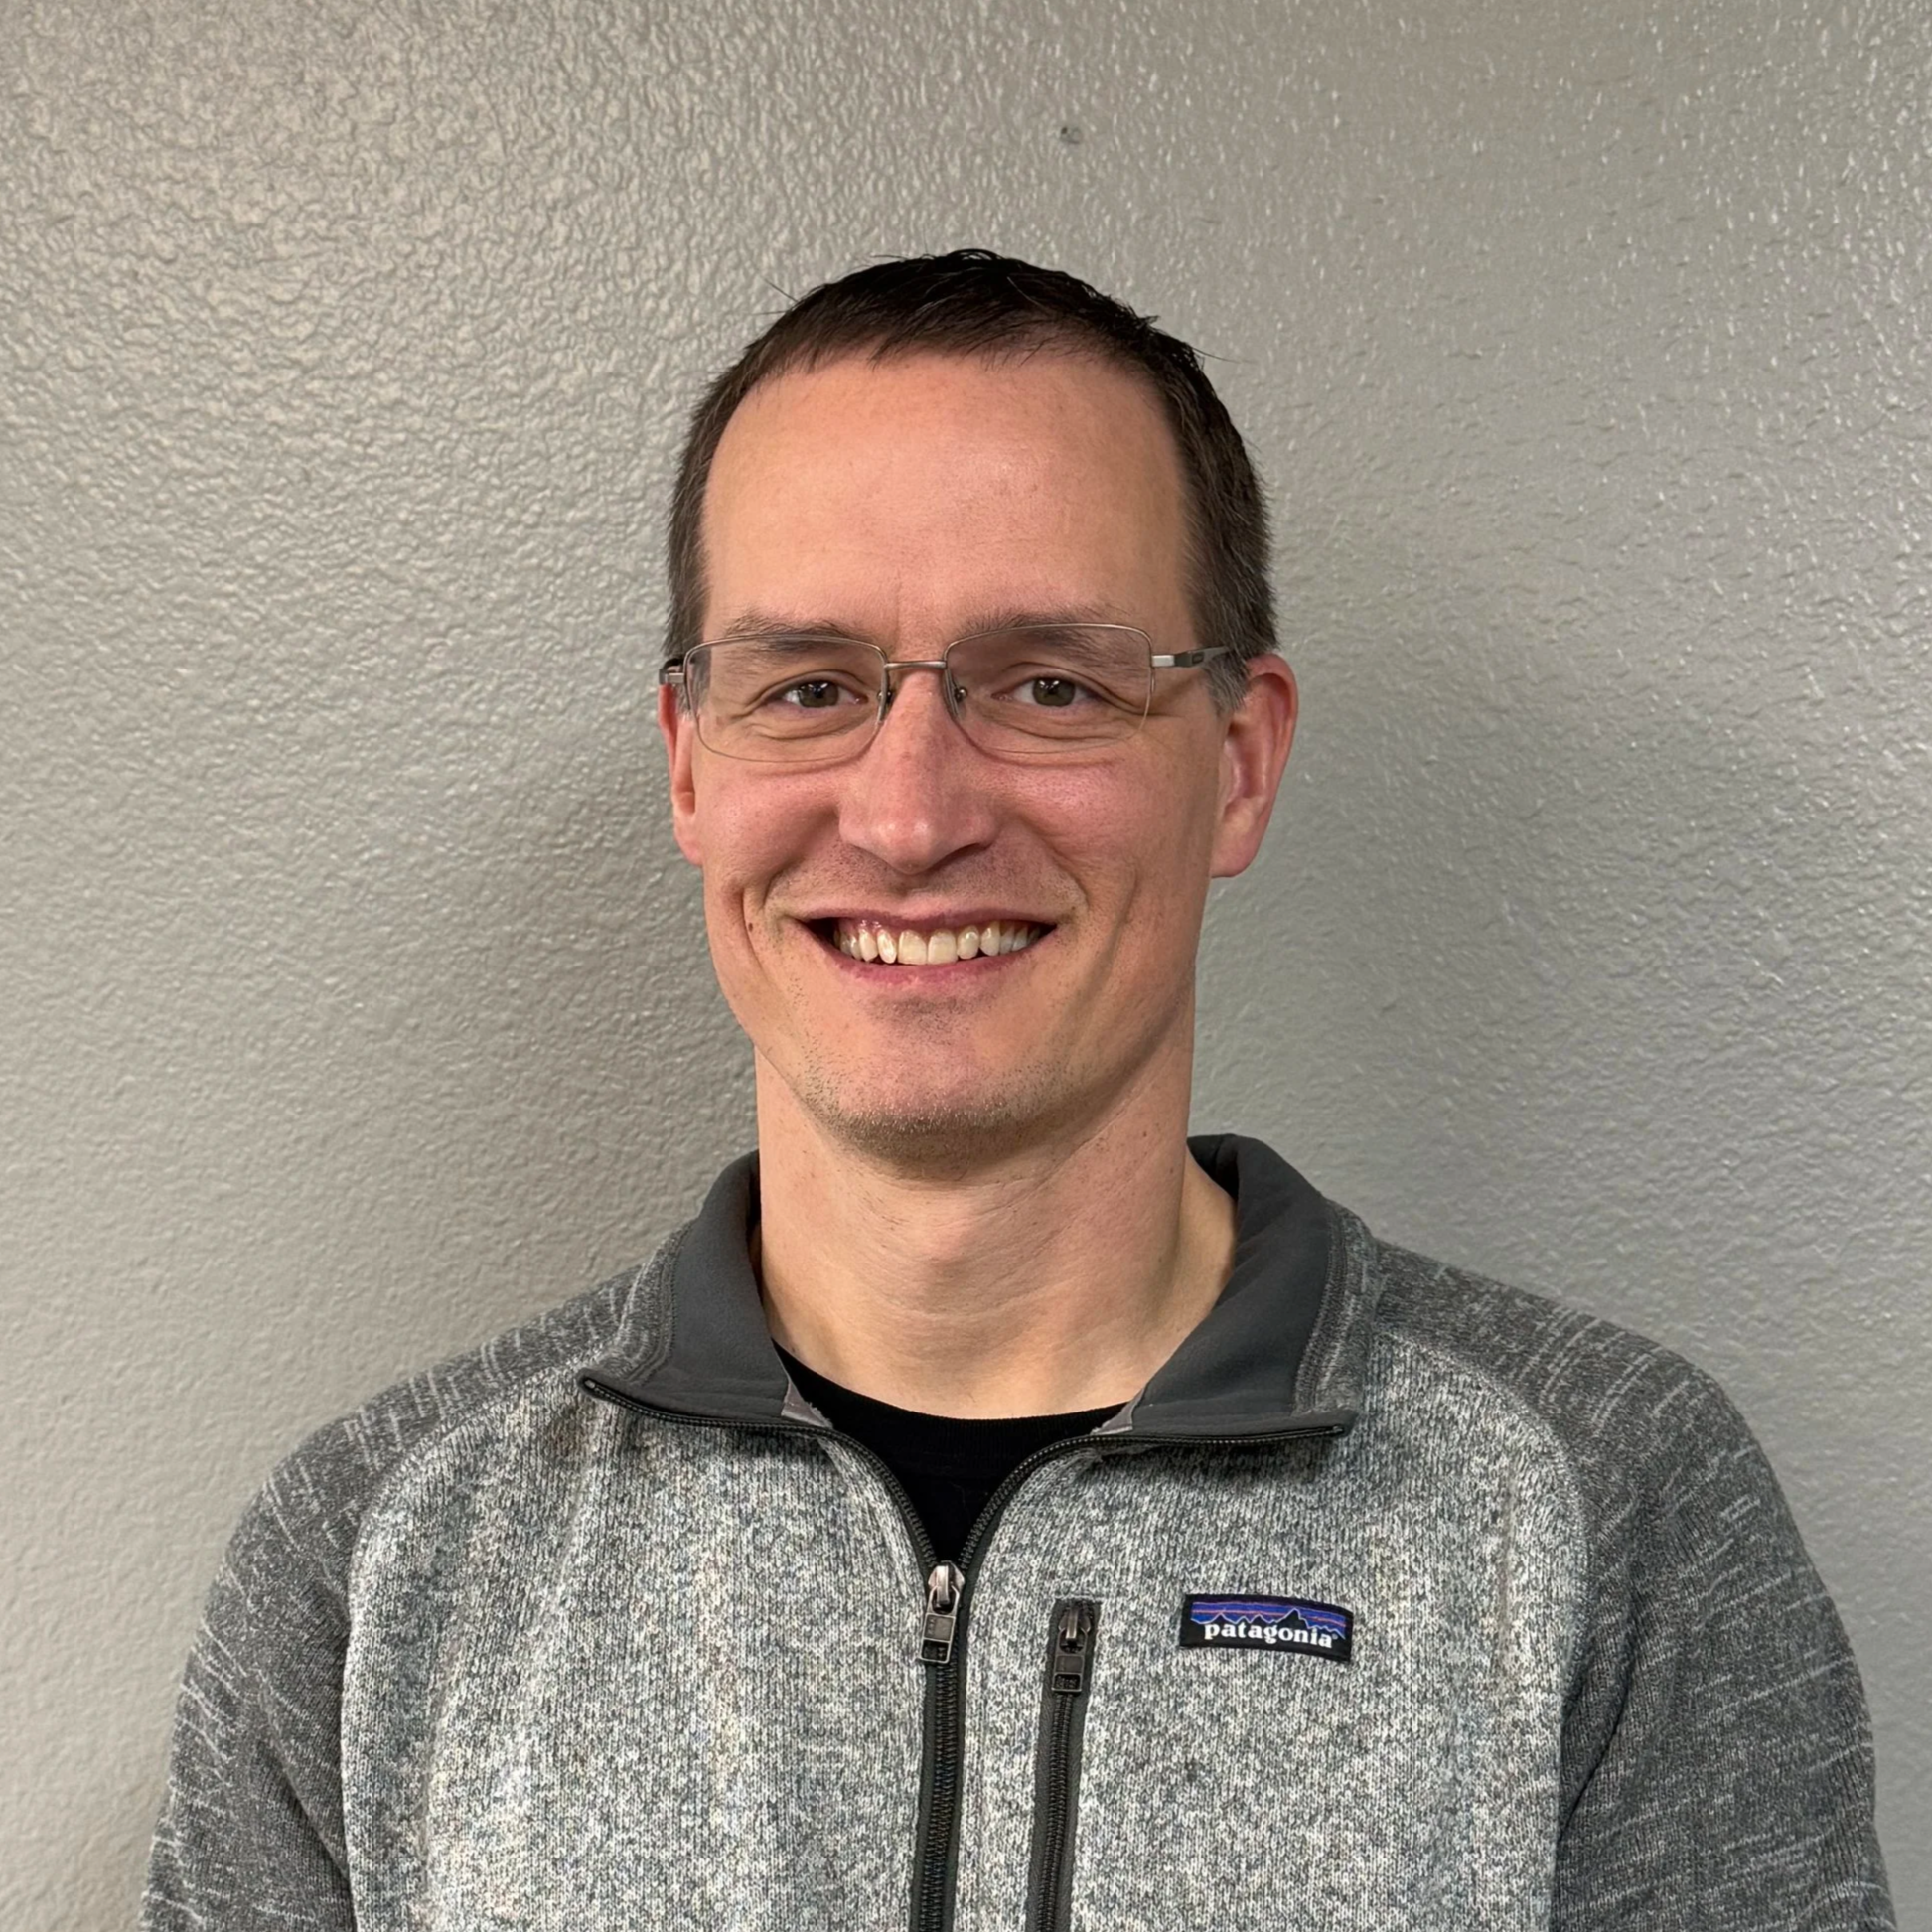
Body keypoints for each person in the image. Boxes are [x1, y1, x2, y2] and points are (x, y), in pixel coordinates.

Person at [143, 251, 1892, 1932]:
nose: (909, 816)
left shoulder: (1607, 1513)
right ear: (690, 764)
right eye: (808, 687)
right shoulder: (382, 1561)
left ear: (1240, 760)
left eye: (1050, 686)